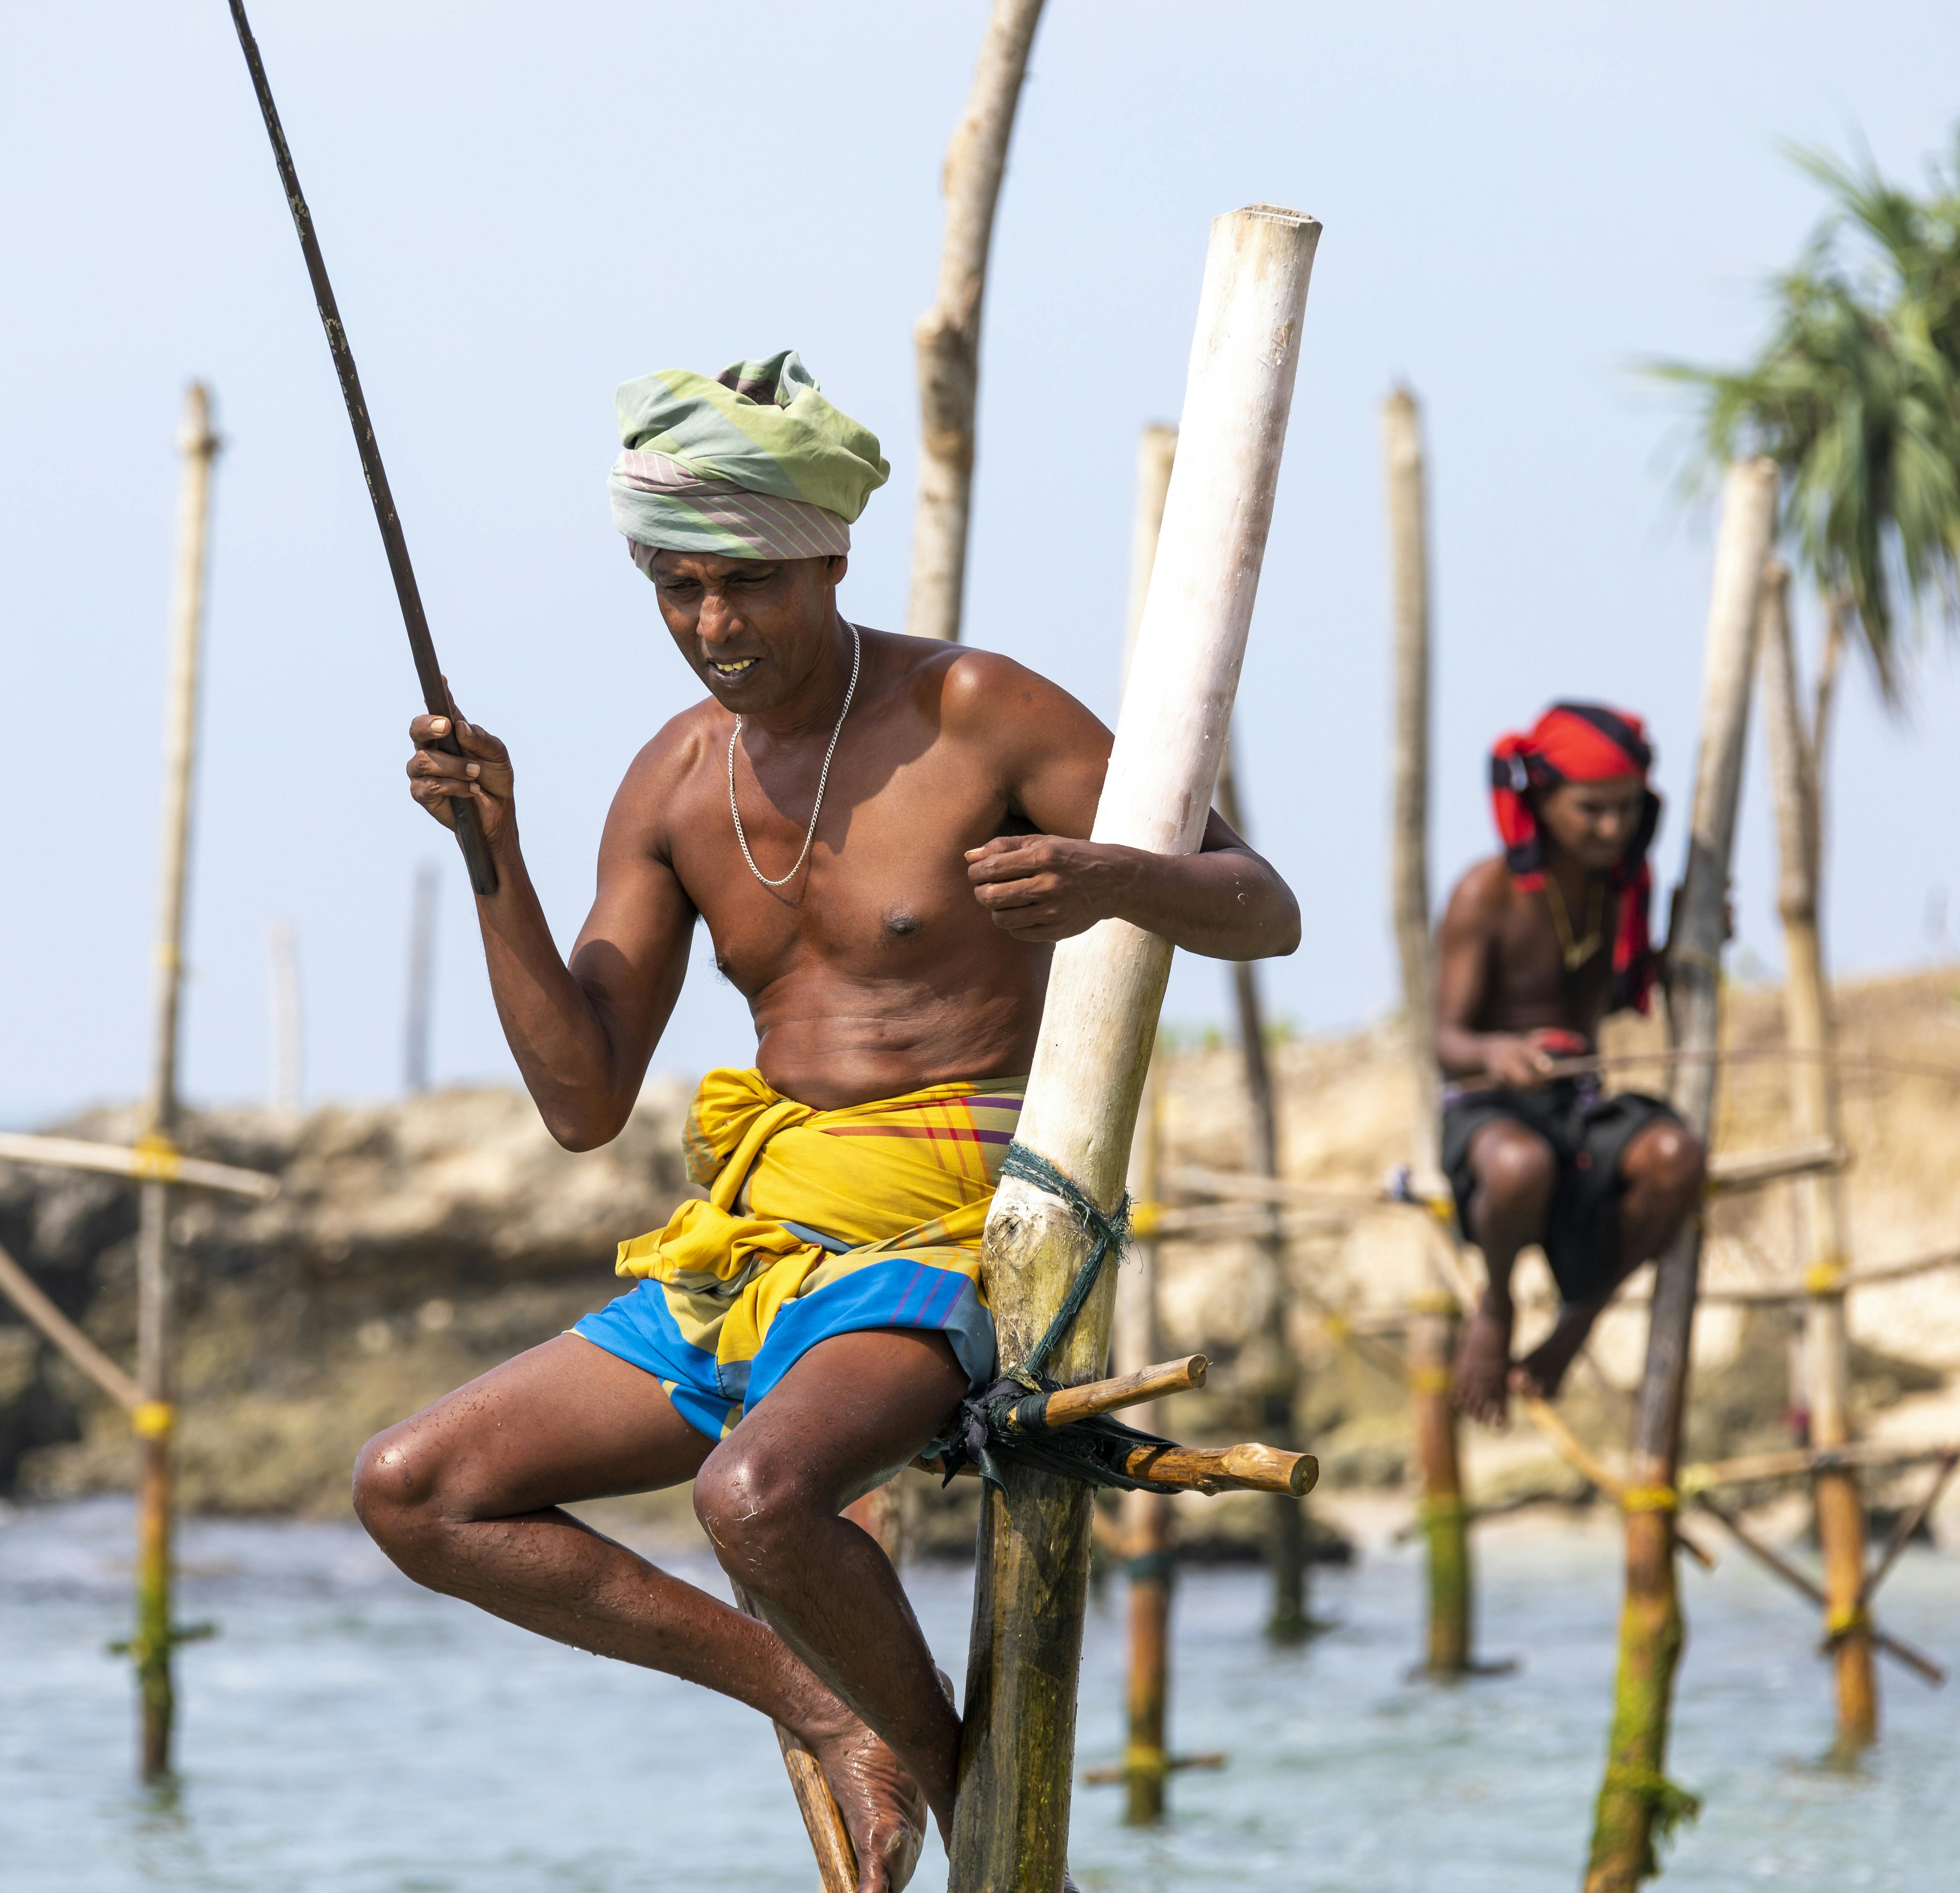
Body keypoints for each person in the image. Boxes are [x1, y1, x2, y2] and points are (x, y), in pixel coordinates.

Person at [352, 351, 1298, 1891]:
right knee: (416, 1489)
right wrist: (492, 856)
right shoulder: (672, 780)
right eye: (678, 589)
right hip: (760, 1243)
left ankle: (963, 1809)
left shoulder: (974, 712)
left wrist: (1117, 877)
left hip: (953, 1236)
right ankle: (828, 1711)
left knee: (755, 1496)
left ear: (830, 558)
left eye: (748, 586)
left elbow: (1264, 907)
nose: (714, 628)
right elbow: (585, 1099)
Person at [1432, 701, 1707, 1427]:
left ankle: (1578, 1321)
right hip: (1489, 1113)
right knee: (1521, 1167)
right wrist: (1501, 1053)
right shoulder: (1483, 895)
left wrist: (1688, 942)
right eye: (1591, 810)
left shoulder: (1622, 890)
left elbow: (1620, 991)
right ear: (1541, 800)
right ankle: (1496, 1304)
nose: (1611, 829)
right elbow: (1446, 1042)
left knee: (1678, 1155)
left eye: (1625, 811)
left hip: (1578, 1109)